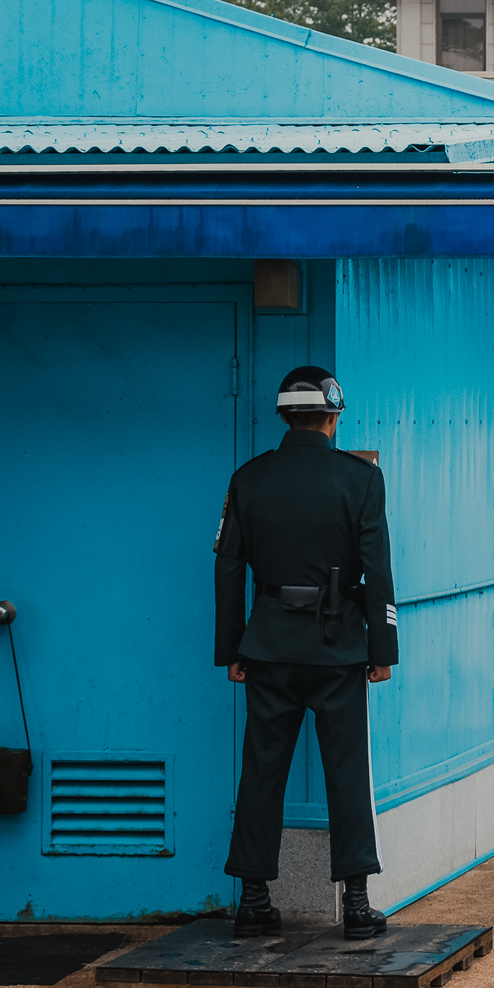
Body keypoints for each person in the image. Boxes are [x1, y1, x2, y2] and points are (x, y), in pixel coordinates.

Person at [213, 365, 399, 941]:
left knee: (261, 770)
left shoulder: (249, 478)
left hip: (267, 643)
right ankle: (358, 904)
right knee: (347, 772)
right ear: (333, 415)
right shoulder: (360, 479)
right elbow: (379, 571)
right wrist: (381, 648)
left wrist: (231, 650)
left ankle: (252, 899)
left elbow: (227, 568)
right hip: (338, 644)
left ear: (285, 416)